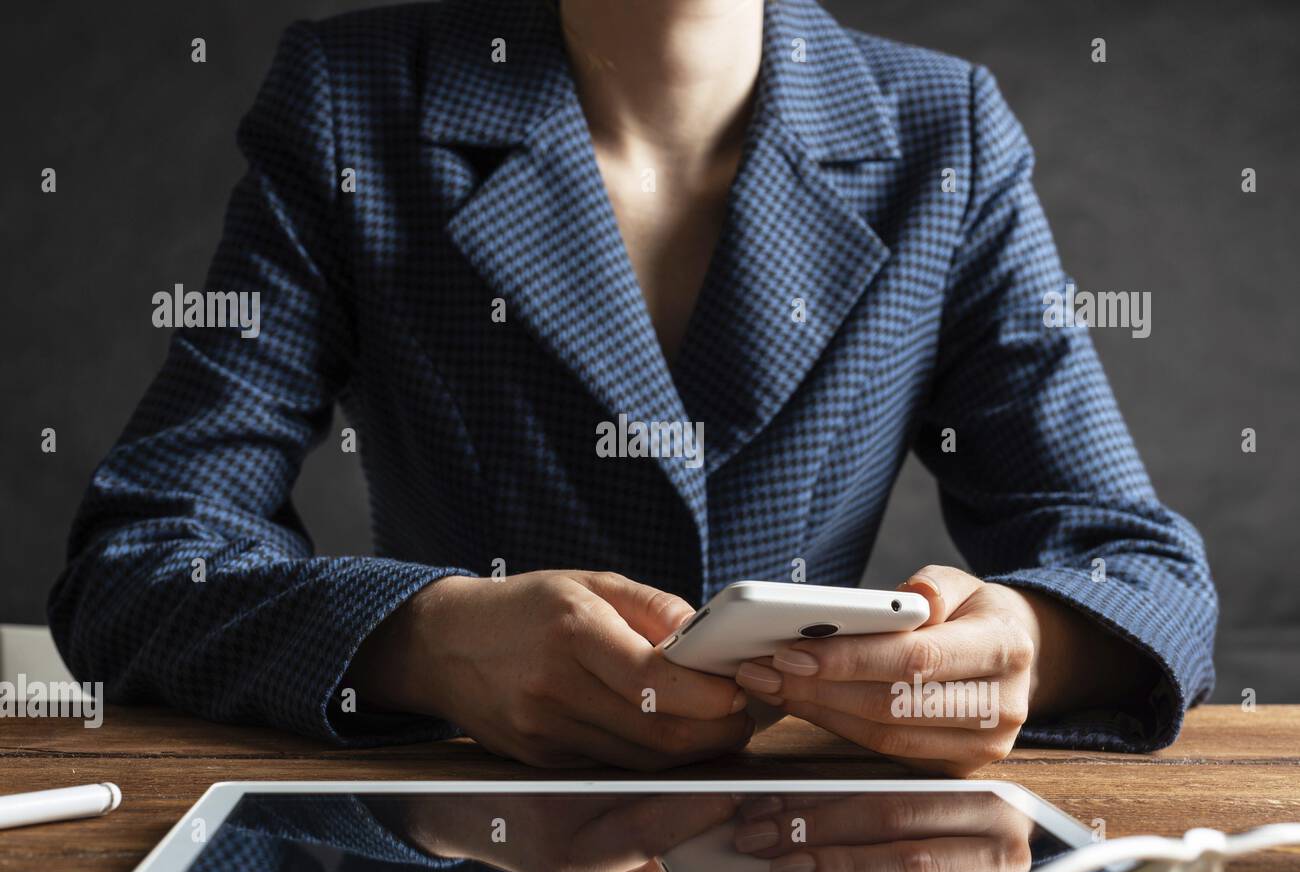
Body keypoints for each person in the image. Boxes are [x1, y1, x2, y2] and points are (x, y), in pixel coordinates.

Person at [49, 0, 1216, 775]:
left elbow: (1139, 568)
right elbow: (143, 556)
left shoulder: (941, 131)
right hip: (454, 844)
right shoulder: (353, 100)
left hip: (810, 849)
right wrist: (423, 641)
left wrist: (1028, 643)